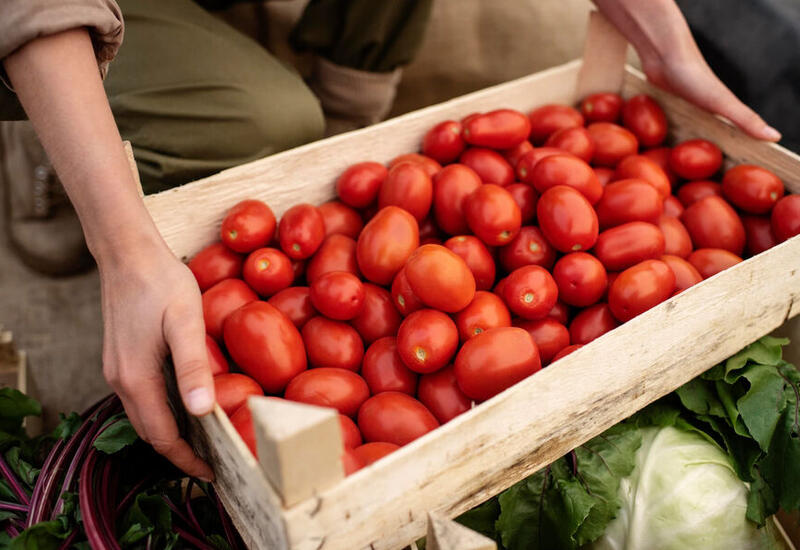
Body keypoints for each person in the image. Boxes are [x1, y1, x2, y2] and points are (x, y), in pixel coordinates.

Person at [0, 0, 782, 481]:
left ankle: (342, 109)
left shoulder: (487, 261)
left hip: (453, 295)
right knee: (267, 124)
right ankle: (56, 135)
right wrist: (122, 241)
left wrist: (654, 29)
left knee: (313, 140)